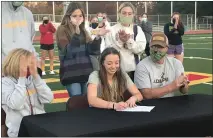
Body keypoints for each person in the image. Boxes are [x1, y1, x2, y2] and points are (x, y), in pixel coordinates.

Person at [56, 2, 109, 97]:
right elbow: (67, 52)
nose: (78, 18)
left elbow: (92, 50)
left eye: (80, 15)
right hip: (71, 73)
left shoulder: (83, 30)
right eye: (75, 15)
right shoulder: (62, 29)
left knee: (86, 102)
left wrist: (97, 37)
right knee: (76, 103)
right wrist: (76, 35)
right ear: (69, 16)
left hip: (86, 73)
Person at [2, 48, 53, 137]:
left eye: (32, 64)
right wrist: (22, 78)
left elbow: (48, 98)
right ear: (16, 64)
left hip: (40, 127)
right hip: (19, 131)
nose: (31, 66)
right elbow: (16, 104)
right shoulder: (5, 83)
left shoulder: (33, 79)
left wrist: (36, 77)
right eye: (28, 64)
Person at [134, 33, 189, 99]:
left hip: (169, 104)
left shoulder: (176, 63)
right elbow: (146, 94)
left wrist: (184, 85)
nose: (156, 50)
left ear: (167, 48)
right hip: (151, 105)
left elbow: (184, 91)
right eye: (153, 46)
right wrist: (171, 87)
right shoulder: (142, 66)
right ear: (149, 47)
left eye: (160, 47)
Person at [104, 2, 146, 81]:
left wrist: (128, 40)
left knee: (134, 93)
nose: (127, 16)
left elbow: (140, 49)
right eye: (124, 13)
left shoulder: (137, 29)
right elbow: (108, 51)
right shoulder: (112, 30)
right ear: (119, 14)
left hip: (133, 71)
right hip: (116, 71)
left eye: (129, 13)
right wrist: (120, 42)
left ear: (133, 15)